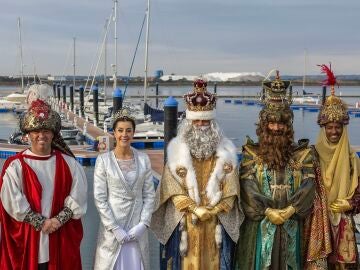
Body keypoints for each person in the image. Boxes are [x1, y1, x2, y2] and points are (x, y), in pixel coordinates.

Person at [151, 79, 243, 270]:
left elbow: (232, 191)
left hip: (215, 223)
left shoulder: (226, 152)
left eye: (205, 121)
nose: (201, 125)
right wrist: (194, 208)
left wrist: (213, 210)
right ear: (189, 122)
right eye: (197, 121)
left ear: (212, 123)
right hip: (186, 222)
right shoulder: (177, 151)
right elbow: (171, 189)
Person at [235, 71, 317, 270]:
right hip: (260, 226)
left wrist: (291, 209)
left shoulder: (303, 155)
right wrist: (267, 211)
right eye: (271, 123)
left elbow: (308, 186)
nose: (276, 128)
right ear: (264, 125)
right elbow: (247, 188)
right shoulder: (250, 154)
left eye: (281, 123)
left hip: (291, 224)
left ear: (288, 126)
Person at [0, 99, 87, 270]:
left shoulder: (70, 164)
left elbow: (79, 197)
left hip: (60, 238)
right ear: (28, 134)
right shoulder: (15, 166)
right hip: (28, 241)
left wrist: (56, 221)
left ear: (53, 134)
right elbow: (11, 202)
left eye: (46, 130)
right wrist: (41, 222)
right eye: (36, 131)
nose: (41, 135)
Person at [308, 64, 360, 269]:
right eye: (329, 127)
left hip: (343, 223)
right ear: (323, 129)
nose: (334, 132)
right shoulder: (311, 155)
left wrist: (351, 204)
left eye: (338, 127)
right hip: (316, 223)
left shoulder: (352, 159)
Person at [93, 109, 155, 270]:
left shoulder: (143, 159)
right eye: (120, 130)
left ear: (133, 133)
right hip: (113, 230)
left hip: (136, 229)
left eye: (128, 130)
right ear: (114, 132)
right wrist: (114, 227)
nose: (124, 135)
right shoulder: (103, 160)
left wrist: (143, 224)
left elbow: (149, 195)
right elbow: (100, 198)